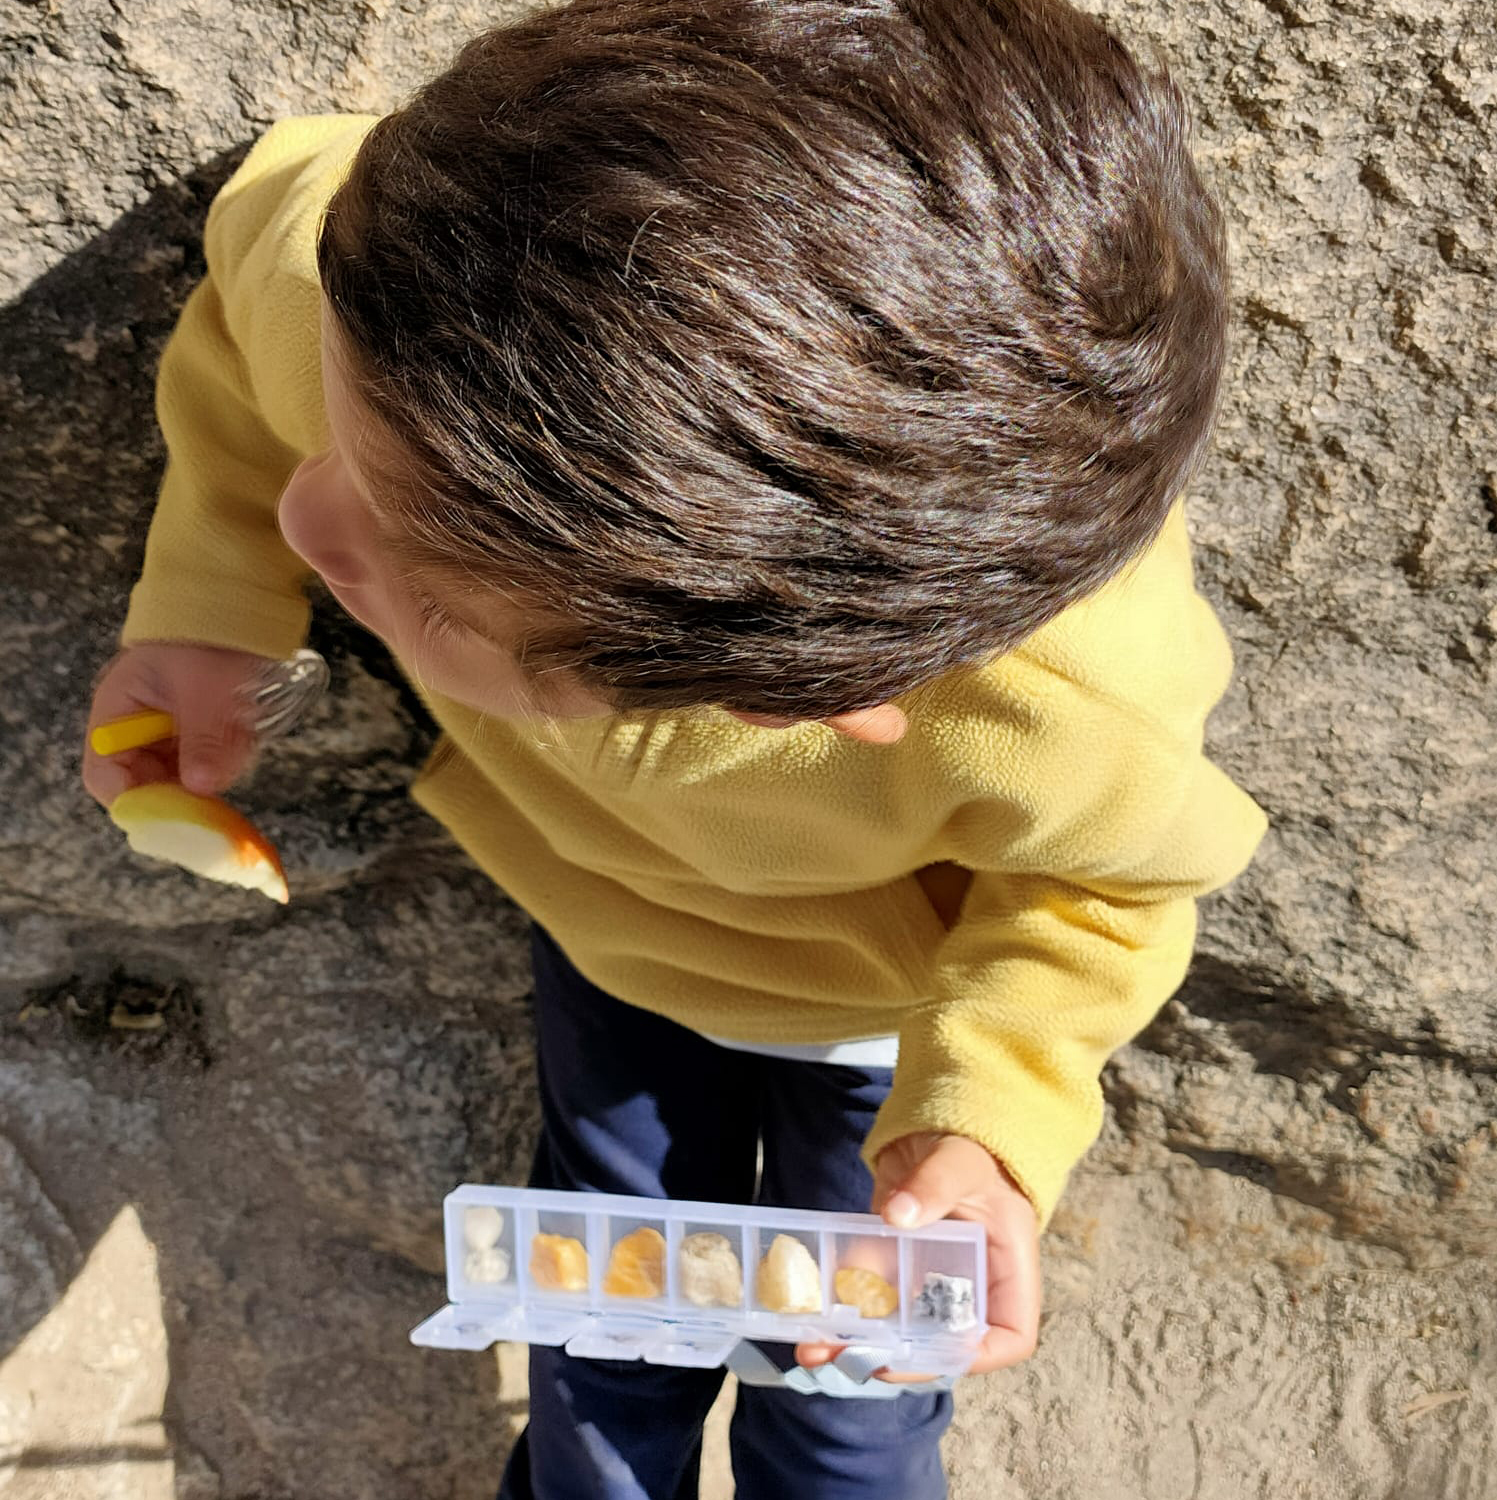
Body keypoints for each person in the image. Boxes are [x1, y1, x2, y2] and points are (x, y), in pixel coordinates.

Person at [82, 0, 1268, 1494]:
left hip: (886, 1033)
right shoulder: (385, 278)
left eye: (432, 595)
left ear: (781, 702)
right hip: (606, 942)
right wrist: (210, 605)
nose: (316, 528)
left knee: (849, 1400)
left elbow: (1110, 891)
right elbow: (252, 355)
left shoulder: (1059, 715)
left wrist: (995, 1117)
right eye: (346, 427)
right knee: (607, 1333)